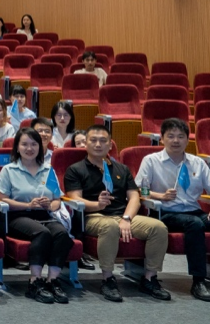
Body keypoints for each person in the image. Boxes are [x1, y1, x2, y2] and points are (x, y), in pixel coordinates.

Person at [134, 117, 210, 302]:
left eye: (181, 136)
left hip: (193, 211)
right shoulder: (151, 161)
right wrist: (160, 196)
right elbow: (140, 190)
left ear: (188, 140)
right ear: (162, 138)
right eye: (171, 136)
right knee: (194, 224)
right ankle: (198, 280)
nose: (176, 140)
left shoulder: (197, 162)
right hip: (165, 212)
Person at [65, 125, 170, 302]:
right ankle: (108, 279)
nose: (98, 144)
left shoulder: (122, 169)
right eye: (93, 140)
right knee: (110, 226)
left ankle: (149, 278)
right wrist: (97, 204)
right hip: (93, 216)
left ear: (110, 145)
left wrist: (127, 218)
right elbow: (75, 200)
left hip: (122, 215)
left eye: (103, 141)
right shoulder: (75, 169)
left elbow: (135, 197)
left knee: (158, 227)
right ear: (86, 144)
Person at [0, 128, 71, 304]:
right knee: (42, 233)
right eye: (25, 144)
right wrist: (28, 205)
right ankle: (34, 282)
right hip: (17, 215)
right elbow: (2, 199)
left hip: (44, 214)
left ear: (40, 147)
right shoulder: (9, 170)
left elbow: (57, 200)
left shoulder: (48, 170)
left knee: (61, 234)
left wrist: (49, 205)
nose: (29, 148)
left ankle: (52, 281)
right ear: (17, 147)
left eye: (34, 144)